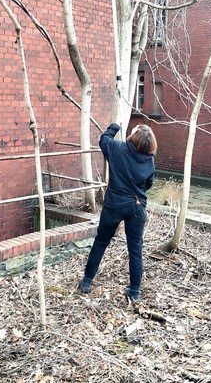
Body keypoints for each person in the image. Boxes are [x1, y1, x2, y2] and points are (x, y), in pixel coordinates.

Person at [79, 123, 157, 304]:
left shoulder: (117, 148)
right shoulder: (149, 159)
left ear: (134, 136)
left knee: (101, 241)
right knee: (135, 249)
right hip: (137, 206)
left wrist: (113, 127)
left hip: (114, 205)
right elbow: (148, 184)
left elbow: (104, 140)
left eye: (134, 130)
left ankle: (86, 282)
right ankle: (135, 291)